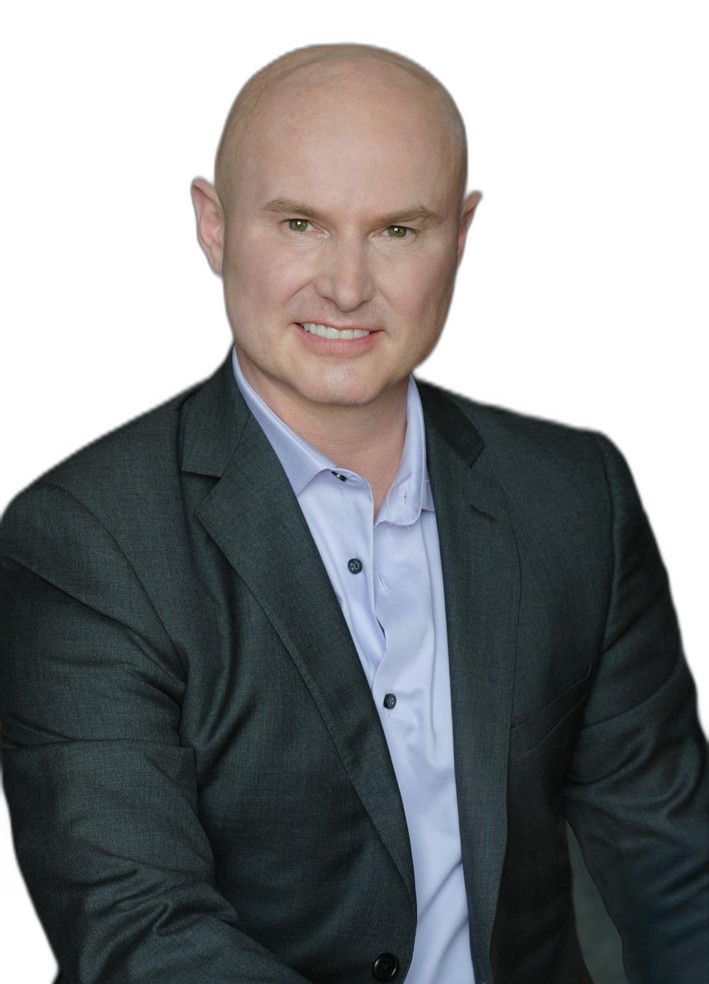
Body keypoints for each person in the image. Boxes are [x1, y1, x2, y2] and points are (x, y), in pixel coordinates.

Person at [0, 42, 706, 984]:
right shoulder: (85, 542)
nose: (344, 285)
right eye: (299, 223)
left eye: (397, 230)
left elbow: (670, 864)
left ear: (461, 235)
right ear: (213, 225)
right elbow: (142, 931)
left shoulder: (574, 494)